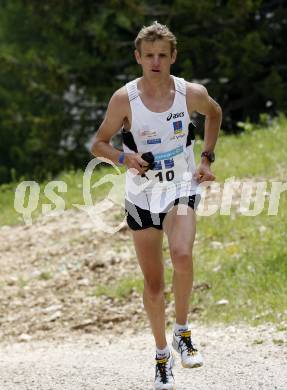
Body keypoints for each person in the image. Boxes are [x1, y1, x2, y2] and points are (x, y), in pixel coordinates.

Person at [91, 21, 221, 390]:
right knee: (153, 284)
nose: (156, 61)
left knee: (182, 254)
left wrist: (206, 159)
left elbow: (215, 113)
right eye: (149, 55)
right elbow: (98, 144)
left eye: (163, 55)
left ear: (173, 56)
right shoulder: (124, 99)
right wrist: (123, 159)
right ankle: (162, 356)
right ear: (138, 58)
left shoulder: (190, 93)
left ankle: (182, 331)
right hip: (141, 196)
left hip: (181, 186)